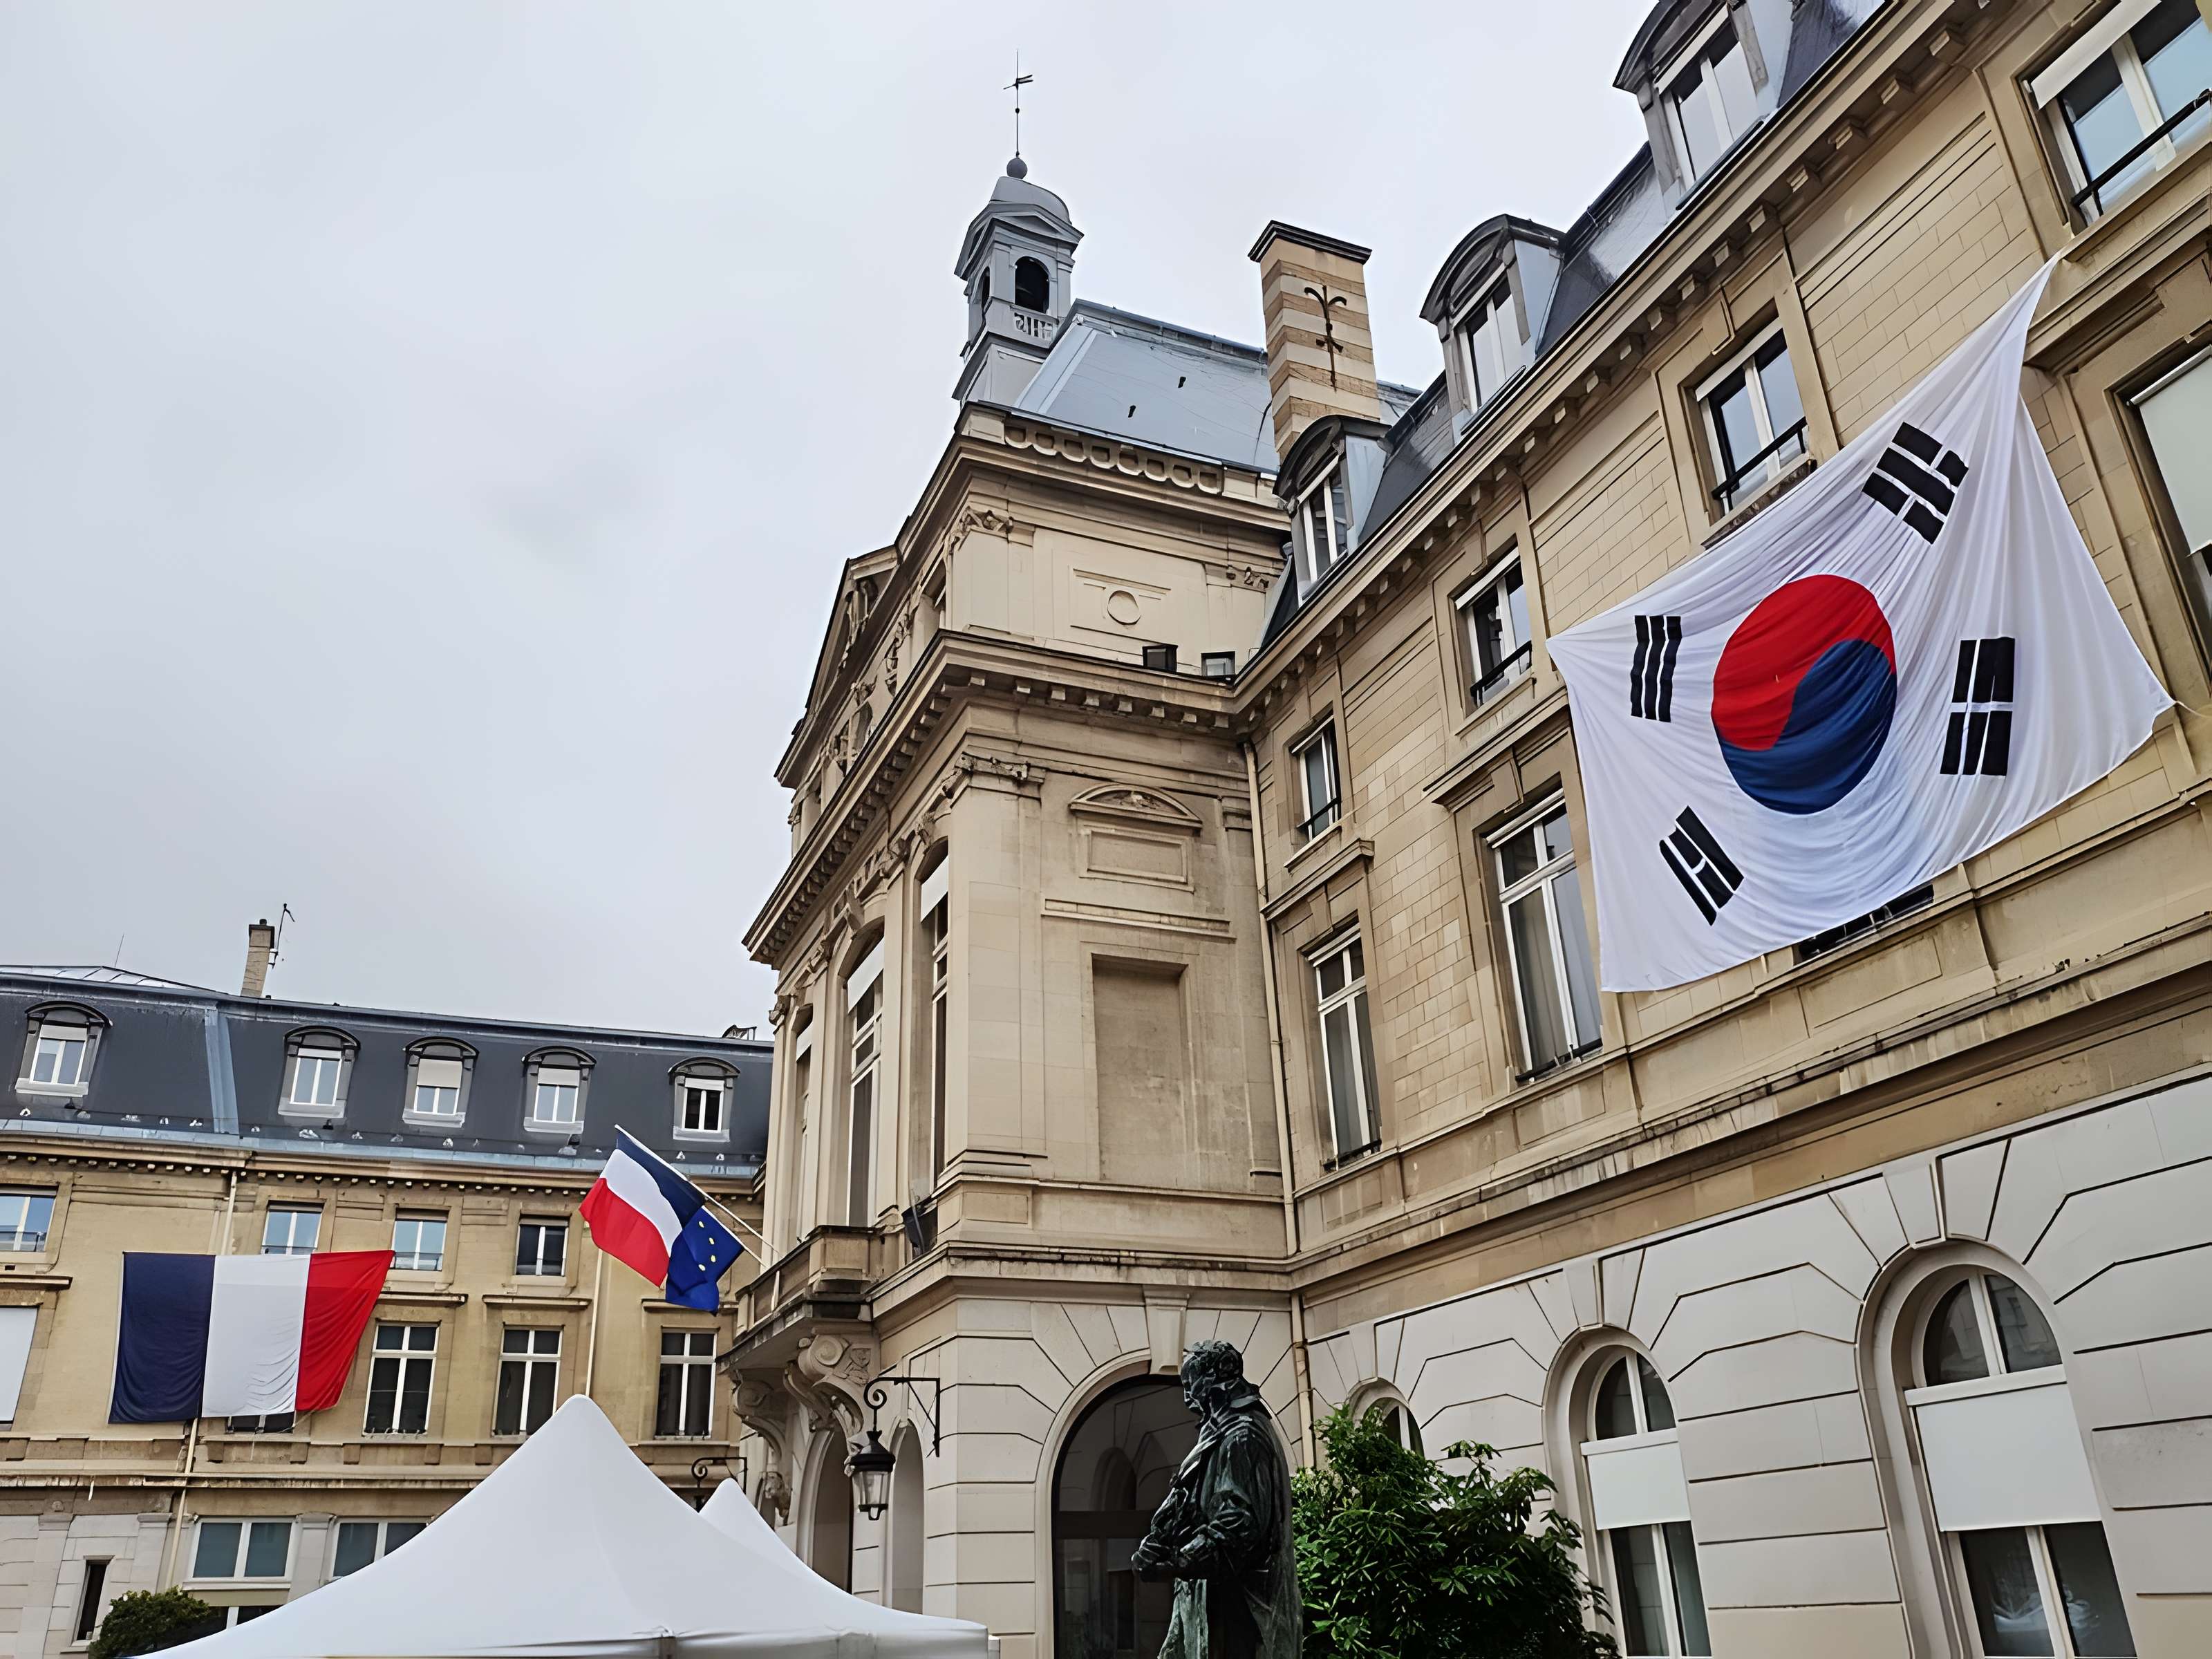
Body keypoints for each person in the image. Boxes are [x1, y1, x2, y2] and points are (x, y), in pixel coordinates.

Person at [1130, 1340, 1301, 1659]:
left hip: (1239, 1618)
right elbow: (1185, 1499)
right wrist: (1154, 1543)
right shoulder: (1217, 1432)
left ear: (1214, 1383)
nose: (1187, 1398)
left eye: (1191, 1387)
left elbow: (1238, 1528)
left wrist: (1176, 1562)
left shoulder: (1243, 1436)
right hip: (1211, 1609)